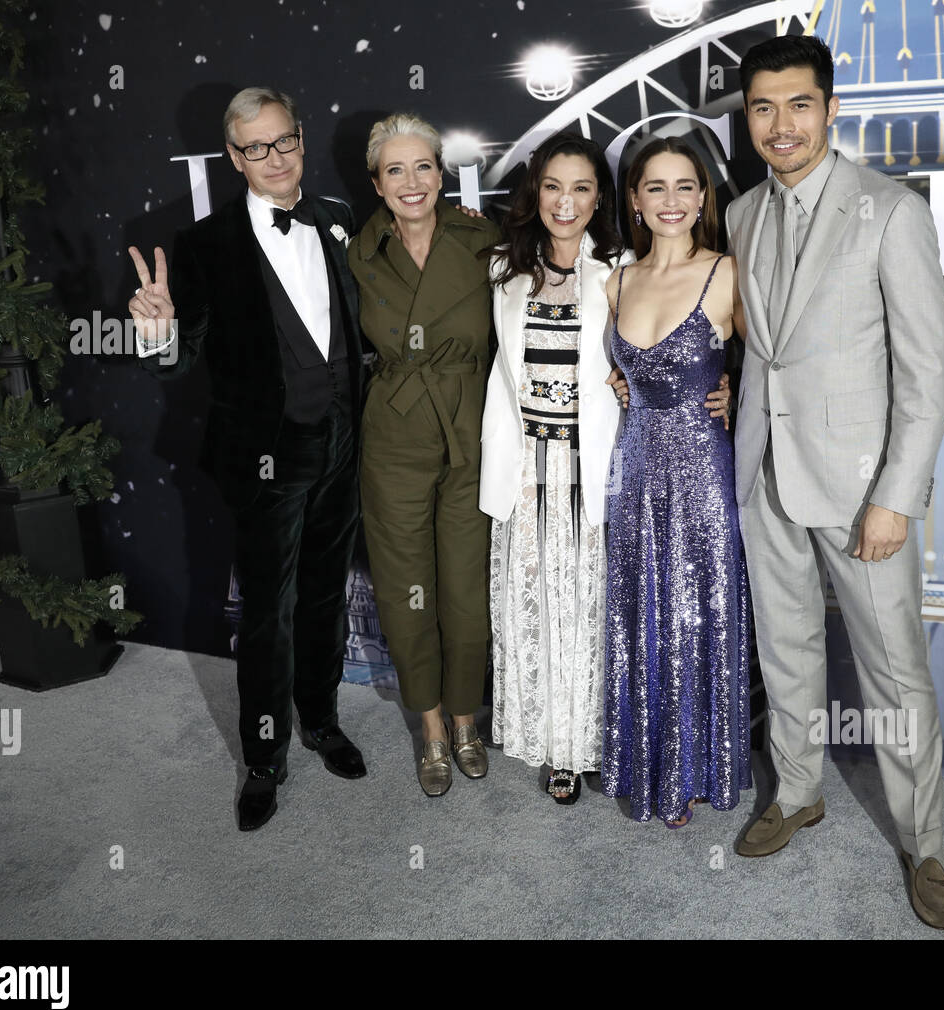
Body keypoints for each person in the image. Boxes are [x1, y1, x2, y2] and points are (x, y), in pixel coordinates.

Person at [725, 36, 944, 928]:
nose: (780, 125)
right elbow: (761, 349)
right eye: (762, 108)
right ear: (748, 119)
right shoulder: (742, 214)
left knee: (894, 673)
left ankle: (926, 842)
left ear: (829, 109)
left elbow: (927, 373)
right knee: (785, 649)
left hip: (864, 490)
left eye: (797, 105)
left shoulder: (891, 211)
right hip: (765, 473)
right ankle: (797, 790)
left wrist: (897, 494)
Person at [129, 87, 368, 832]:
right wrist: (160, 330)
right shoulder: (203, 246)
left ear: (301, 138)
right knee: (267, 613)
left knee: (328, 594)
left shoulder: (336, 219)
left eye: (284, 140)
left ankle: (322, 720)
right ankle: (263, 759)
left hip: (342, 442)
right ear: (234, 157)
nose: (275, 158)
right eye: (256, 147)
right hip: (265, 455)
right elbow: (178, 361)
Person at [348, 112, 501, 797]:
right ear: (376, 182)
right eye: (395, 170)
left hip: (470, 429)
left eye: (424, 167)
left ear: (442, 172)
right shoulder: (356, 251)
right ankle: (433, 727)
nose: (412, 182)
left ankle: (468, 716)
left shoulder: (483, 239)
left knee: (466, 595)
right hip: (395, 439)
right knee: (406, 592)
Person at [601, 136, 752, 827]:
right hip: (633, 473)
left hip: (702, 476)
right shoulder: (615, 282)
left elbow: (775, 365)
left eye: (684, 186)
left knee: (696, 614)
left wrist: (736, 396)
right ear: (634, 200)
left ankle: (692, 769)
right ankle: (646, 762)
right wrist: (618, 376)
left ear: (703, 197)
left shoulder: (727, 274)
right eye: (654, 187)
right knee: (643, 615)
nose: (670, 201)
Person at [479, 132, 629, 803]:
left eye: (580, 188)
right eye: (552, 187)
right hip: (526, 468)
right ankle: (554, 749)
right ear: (534, 193)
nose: (565, 202)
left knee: (592, 610)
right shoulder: (503, 269)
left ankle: (595, 741)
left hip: (596, 469)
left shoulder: (623, 266)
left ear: (600, 197)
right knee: (536, 610)